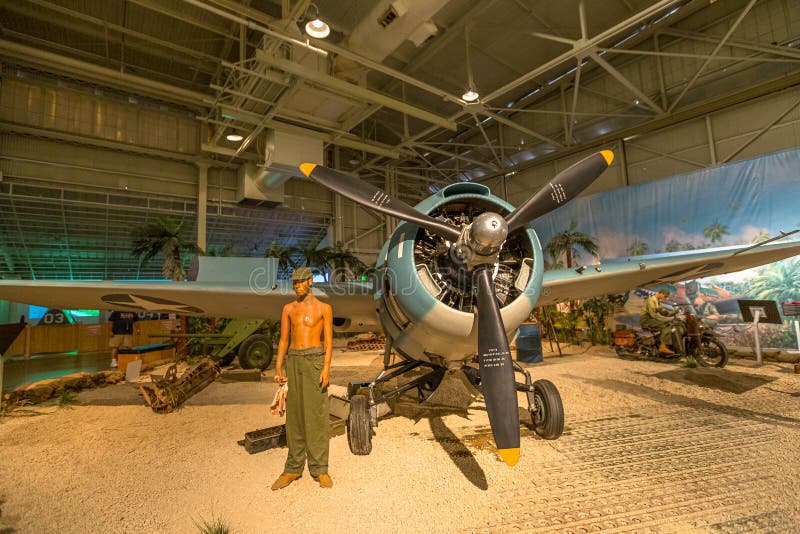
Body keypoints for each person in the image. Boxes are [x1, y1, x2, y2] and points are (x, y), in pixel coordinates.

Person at [271, 267, 334, 491]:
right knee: (295, 416)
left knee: (316, 416)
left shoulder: (324, 308)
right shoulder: (288, 308)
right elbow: (283, 340)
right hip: (294, 361)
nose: (296, 285)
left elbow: (328, 342)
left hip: (315, 361)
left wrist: (326, 368)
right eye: (294, 282)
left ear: (310, 281)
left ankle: (320, 469)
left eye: (299, 282)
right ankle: (293, 468)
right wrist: (279, 365)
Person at [639, 289, 682, 355]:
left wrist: (675, 312)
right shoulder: (651, 300)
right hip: (646, 320)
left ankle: (665, 345)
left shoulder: (657, 301)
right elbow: (653, 315)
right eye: (665, 296)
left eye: (666, 297)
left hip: (651, 319)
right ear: (660, 293)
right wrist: (666, 319)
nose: (665, 298)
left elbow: (665, 313)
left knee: (670, 325)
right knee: (666, 326)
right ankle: (663, 346)